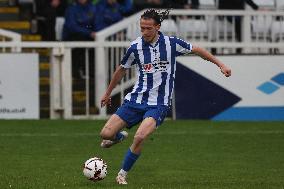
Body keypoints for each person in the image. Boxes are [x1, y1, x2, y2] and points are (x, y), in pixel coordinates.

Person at [99, 9, 231, 185]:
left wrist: (220, 65)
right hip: (136, 99)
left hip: (159, 104)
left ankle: (122, 174)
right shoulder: (135, 47)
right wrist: (107, 93)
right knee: (106, 134)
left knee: (139, 137)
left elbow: (197, 50)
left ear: (158, 27)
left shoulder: (171, 44)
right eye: (142, 28)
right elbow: (121, 69)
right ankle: (119, 137)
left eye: (148, 28)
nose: (144, 32)